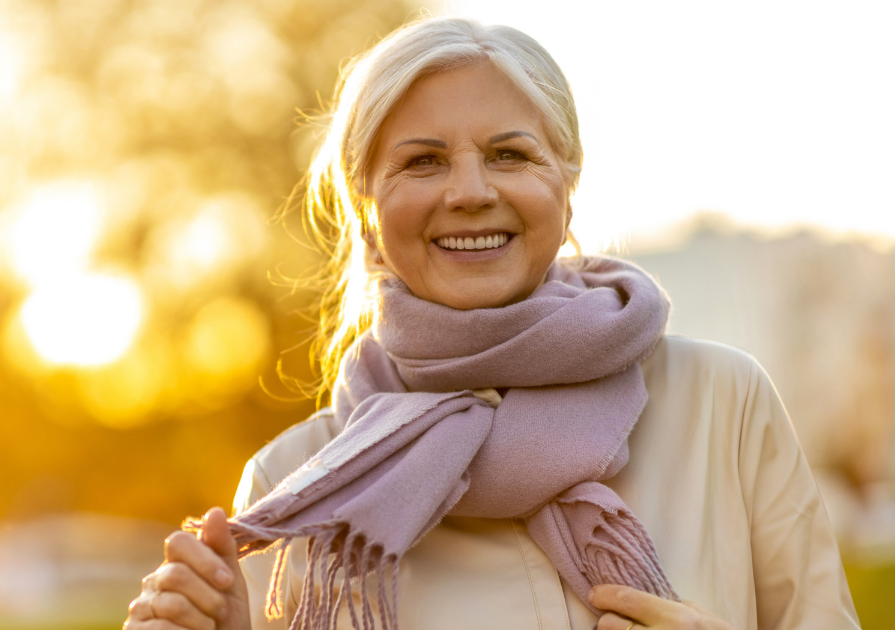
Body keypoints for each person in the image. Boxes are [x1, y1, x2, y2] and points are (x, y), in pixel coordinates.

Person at [124, 17, 860, 630]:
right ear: (367, 214)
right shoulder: (296, 486)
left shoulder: (721, 404)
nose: (470, 192)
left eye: (509, 154)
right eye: (423, 162)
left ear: (565, 187)